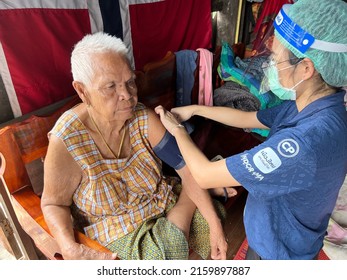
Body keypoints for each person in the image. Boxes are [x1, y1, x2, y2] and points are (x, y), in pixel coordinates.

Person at [155, 0, 347, 260]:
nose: (270, 64)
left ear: (306, 68)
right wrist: (196, 109)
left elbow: (204, 175)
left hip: (278, 253)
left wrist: (177, 130)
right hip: (288, 232)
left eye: (276, 60)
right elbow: (248, 117)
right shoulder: (317, 106)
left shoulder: (304, 144)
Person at [41, 32, 227, 260]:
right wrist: (69, 246)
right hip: (115, 228)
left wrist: (215, 226)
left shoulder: (142, 118)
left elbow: (186, 168)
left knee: (213, 218)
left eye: (130, 82)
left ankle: (191, 201)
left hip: (156, 201)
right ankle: (195, 197)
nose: (127, 96)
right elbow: (53, 203)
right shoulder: (67, 139)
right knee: (160, 258)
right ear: (82, 91)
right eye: (110, 86)